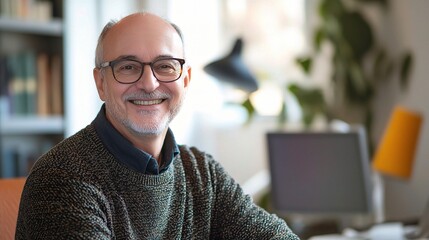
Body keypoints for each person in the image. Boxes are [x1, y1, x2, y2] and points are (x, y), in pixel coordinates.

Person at [15, 12, 300, 239]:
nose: (149, 83)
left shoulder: (202, 173)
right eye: (128, 67)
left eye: (165, 66)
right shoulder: (62, 178)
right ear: (101, 83)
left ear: (185, 80)